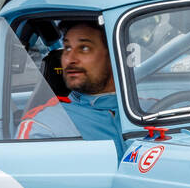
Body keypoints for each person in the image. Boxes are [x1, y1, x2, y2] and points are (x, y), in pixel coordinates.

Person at [16, 21, 124, 157]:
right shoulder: (44, 125)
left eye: (84, 48)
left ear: (113, 55)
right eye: (67, 48)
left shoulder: (148, 110)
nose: (69, 59)